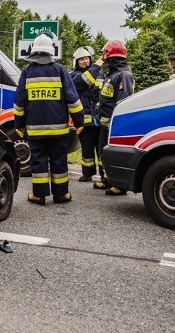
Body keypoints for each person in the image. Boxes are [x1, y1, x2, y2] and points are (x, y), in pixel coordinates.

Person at [13, 33, 84, 205]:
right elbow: (72, 99)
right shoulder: (60, 70)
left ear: (34, 51)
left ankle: (39, 195)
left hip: (35, 129)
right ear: (50, 52)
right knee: (59, 161)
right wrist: (79, 121)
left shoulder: (27, 72)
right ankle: (61, 195)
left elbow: (19, 102)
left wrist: (19, 125)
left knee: (38, 162)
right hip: (58, 129)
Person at [94, 39, 135, 195]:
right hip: (105, 123)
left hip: (114, 124)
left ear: (110, 55)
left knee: (114, 155)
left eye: (104, 54)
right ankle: (106, 179)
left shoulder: (123, 74)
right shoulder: (112, 74)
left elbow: (123, 100)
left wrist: (116, 123)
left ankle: (119, 185)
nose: (102, 57)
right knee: (103, 152)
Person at [69, 46, 103, 183]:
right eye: (81, 59)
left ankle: (104, 175)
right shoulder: (73, 76)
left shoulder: (99, 75)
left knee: (101, 150)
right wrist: (97, 66)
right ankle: (87, 173)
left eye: (87, 58)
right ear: (76, 62)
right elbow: (85, 81)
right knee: (87, 149)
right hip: (85, 120)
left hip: (100, 118)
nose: (85, 61)